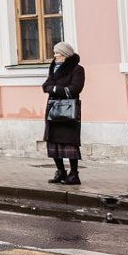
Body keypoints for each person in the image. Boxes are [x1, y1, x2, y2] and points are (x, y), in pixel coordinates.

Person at [42, 41, 85, 185]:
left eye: (57, 53)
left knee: (70, 142)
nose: (55, 56)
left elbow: (75, 88)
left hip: (68, 110)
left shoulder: (77, 69)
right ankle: (60, 171)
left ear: (65, 55)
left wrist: (54, 89)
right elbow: (46, 85)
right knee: (53, 141)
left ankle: (74, 174)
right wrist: (52, 88)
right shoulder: (53, 67)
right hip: (53, 109)